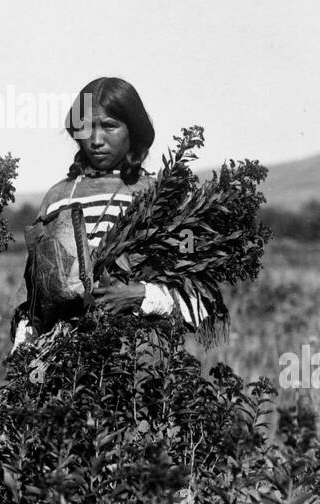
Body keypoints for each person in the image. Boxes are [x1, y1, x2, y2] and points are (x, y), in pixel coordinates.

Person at [11, 76, 204, 355]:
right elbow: (33, 299)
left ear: (134, 131)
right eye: (86, 127)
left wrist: (140, 295)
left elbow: (197, 297)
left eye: (110, 126)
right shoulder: (57, 198)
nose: (96, 140)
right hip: (65, 359)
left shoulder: (163, 199)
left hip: (142, 356)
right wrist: (23, 358)